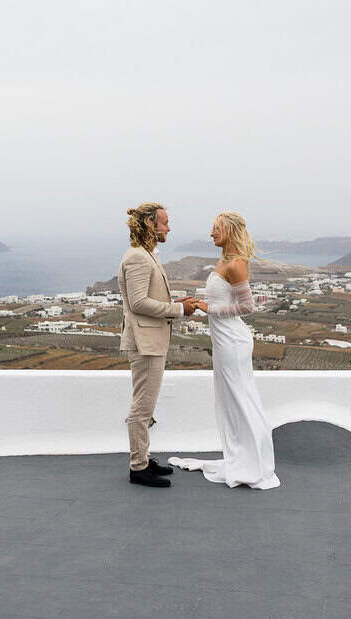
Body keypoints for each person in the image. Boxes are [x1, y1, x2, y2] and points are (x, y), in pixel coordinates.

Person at [169, 211, 280, 490]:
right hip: (222, 341)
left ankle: (255, 463)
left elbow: (247, 307)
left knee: (242, 399)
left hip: (233, 341)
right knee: (230, 401)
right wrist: (201, 303)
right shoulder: (223, 262)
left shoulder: (236, 264)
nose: (211, 233)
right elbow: (223, 299)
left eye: (216, 228)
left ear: (229, 230)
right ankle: (241, 457)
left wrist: (210, 308)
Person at [119, 203, 197, 488]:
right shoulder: (138, 258)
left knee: (146, 405)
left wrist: (174, 304)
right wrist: (178, 309)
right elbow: (138, 302)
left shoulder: (146, 254)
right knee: (142, 408)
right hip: (145, 342)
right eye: (164, 222)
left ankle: (144, 458)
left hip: (149, 340)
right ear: (151, 224)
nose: (168, 228)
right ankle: (138, 467)